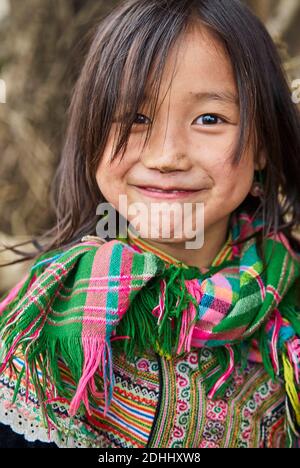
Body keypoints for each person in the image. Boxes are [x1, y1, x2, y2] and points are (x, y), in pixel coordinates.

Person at [0, 0, 300, 448]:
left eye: (209, 119)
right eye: (137, 118)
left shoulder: (288, 309)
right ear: (91, 135)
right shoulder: (40, 327)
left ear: (261, 144)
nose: (166, 157)